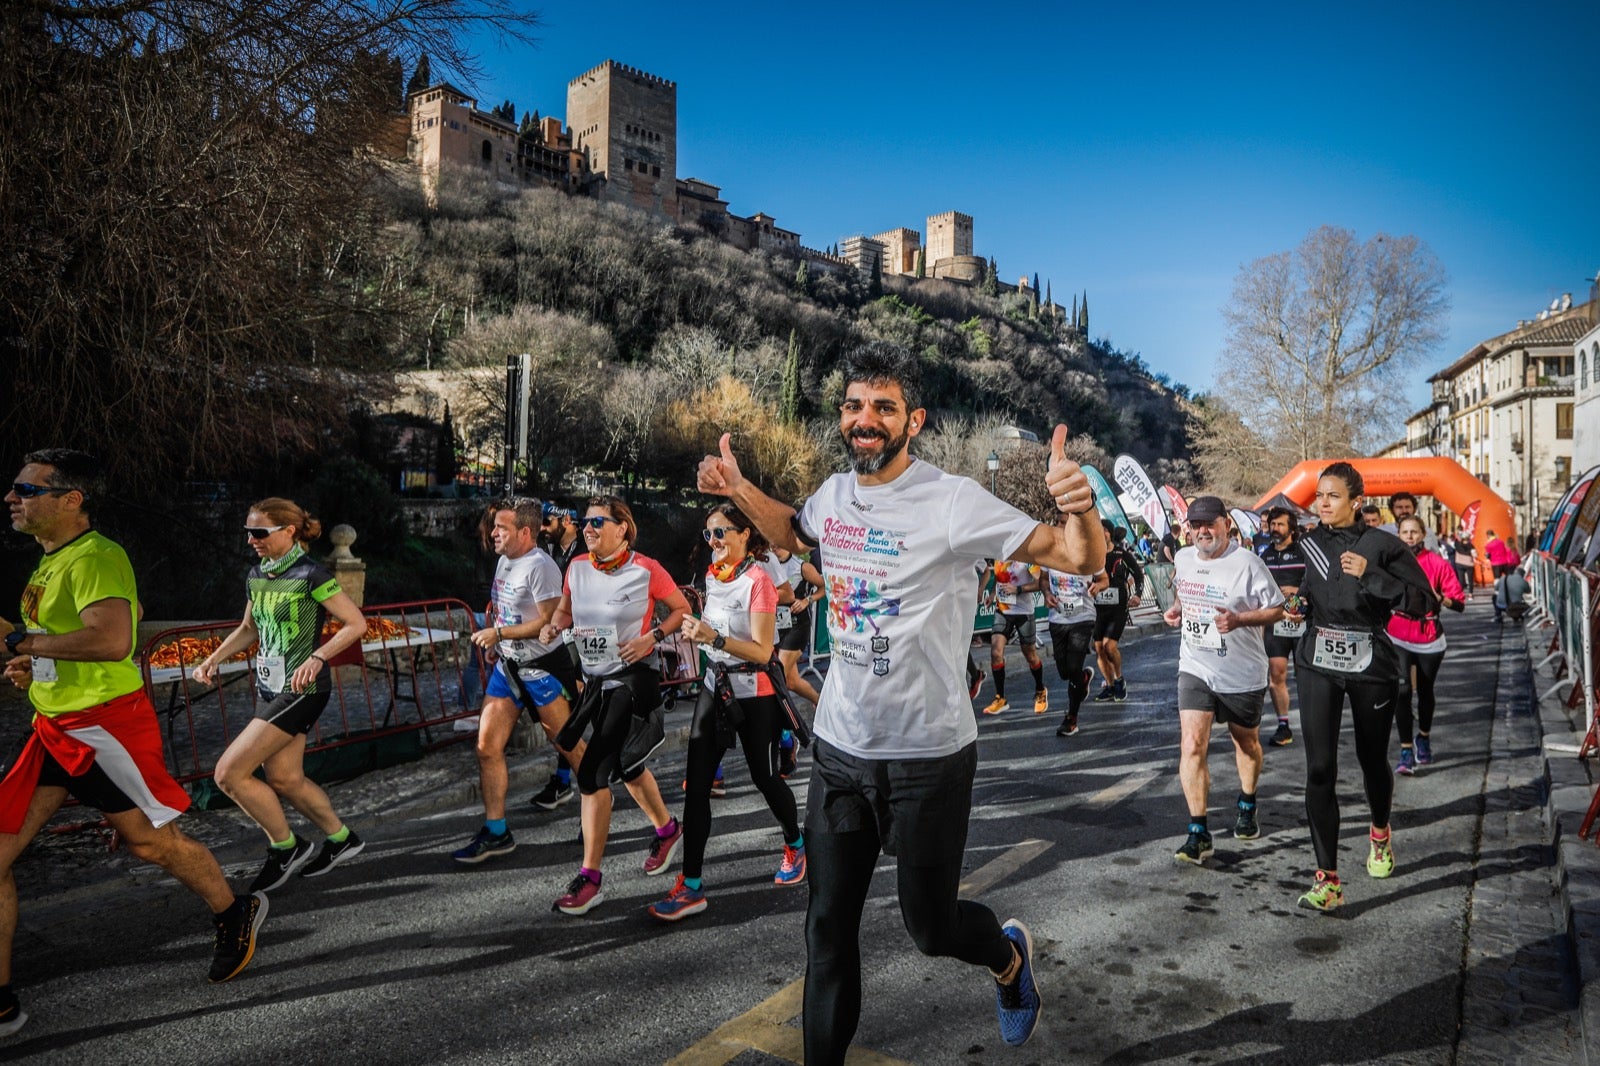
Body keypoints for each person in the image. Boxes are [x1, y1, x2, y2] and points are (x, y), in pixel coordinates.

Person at [696, 340, 1105, 1057]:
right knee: (826, 931)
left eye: (883, 408)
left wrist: (1083, 508)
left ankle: (1008, 961)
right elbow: (794, 529)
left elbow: (1078, 559)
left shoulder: (952, 500)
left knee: (931, 928)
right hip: (842, 749)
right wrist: (738, 488)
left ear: (912, 421)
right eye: (854, 406)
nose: (865, 420)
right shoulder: (834, 492)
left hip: (929, 756)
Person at [0, 451, 267, 1037]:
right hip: (53, 728)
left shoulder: (98, 555)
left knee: (153, 845)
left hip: (104, 729)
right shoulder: (53, 562)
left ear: (71, 500)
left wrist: (21, 639)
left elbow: (115, 639)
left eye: (27, 488)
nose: (11, 497)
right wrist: (31, 663)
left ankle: (234, 911)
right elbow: (69, 638)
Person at [195, 499, 370, 891]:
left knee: (228, 773)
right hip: (270, 686)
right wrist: (213, 660)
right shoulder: (256, 574)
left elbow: (355, 623)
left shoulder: (311, 574)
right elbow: (248, 628)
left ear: (289, 531)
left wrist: (319, 657)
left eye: (259, 533)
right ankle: (343, 839)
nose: (251, 540)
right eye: (249, 533)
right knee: (286, 778)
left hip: (301, 688)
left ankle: (285, 847)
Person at [648, 504, 806, 921]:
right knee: (697, 786)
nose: (713, 542)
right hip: (714, 687)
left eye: (721, 534)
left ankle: (795, 841)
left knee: (765, 778)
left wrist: (713, 636)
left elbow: (761, 649)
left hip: (756, 691)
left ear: (744, 536)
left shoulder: (760, 582)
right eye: (708, 535)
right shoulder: (713, 578)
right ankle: (691, 885)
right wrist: (700, 636)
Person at [1289, 462, 1433, 911]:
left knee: (1372, 760)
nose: (1323, 503)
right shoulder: (1309, 542)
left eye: (1331, 496)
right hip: (1318, 661)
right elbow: (1312, 593)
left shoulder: (1383, 546)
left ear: (1356, 500)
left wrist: (1372, 575)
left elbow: (1426, 602)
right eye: (1318, 496)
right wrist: (1296, 605)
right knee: (1319, 768)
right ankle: (1328, 879)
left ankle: (1379, 831)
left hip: (1371, 663)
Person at [537, 496, 690, 915]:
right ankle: (668, 828)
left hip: (633, 677)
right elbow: (566, 612)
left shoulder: (647, 569)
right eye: (585, 522)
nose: (587, 528)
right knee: (628, 765)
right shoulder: (578, 568)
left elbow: (682, 609)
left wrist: (651, 638)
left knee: (593, 770)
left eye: (597, 522)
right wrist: (554, 624)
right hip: (596, 681)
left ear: (622, 528)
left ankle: (590, 879)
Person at [451, 498, 585, 863]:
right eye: (495, 526)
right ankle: (497, 832)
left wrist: (500, 633)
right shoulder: (504, 560)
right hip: (508, 667)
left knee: (569, 747)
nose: (493, 533)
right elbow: (504, 606)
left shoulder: (540, 566)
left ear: (525, 532)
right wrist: (501, 642)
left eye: (502, 528)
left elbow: (550, 619)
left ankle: (595, 810)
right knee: (486, 747)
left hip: (543, 668)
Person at [1162, 498, 1284, 863]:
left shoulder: (1248, 563)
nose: (1203, 531)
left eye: (1209, 524)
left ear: (1226, 524)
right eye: (1195, 525)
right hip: (1196, 666)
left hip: (1241, 671)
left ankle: (1247, 802)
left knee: (1246, 743)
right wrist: (1178, 609)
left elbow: (1278, 609)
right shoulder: (1184, 559)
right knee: (1191, 745)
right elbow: (1185, 593)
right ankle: (1198, 832)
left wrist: (1240, 620)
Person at [1388, 515, 1465, 775]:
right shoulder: (1391, 563)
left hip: (1429, 635)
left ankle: (1424, 735)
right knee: (1402, 690)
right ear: (1398, 535)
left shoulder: (1437, 563)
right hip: (1397, 632)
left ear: (1423, 535)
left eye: (1414, 532)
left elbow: (1458, 601)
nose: (1409, 536)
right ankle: (1406, 749)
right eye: (1405, 532)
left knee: (1425, 691)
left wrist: (1441, 599)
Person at [530, 501, 583, 810]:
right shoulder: (550, 553)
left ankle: (599, 780)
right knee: (567, 714)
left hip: (583, 642)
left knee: (584, 712)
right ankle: (564, 779)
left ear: (568, 520)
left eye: (548, 522)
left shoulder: (582, 554)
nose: (543, 529)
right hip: (560, 641)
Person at [773, 545, 825, 776]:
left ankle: (789, 735)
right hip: (774, 627)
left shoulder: (801, 566)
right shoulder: (765, 563)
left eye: (777, 542)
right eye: (769, 541)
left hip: (797, 627)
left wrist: (807, 600)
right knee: (792, 681)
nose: (773, 546)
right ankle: (821, 701)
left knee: (779, 677)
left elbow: (825, 585)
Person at [1256, 506, 1306, 747]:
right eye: (1272, 524)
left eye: (1280, 525)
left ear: (1292, 529)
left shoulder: (1303, 553)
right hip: (1277, 623)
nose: (1274, 529)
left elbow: (1317, 583)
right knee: (1277, 674)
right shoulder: (1264, 556)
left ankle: (1313, 722)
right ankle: (1283, 725)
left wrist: (1297, 593)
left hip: (1303, 621)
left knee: (1308, 676)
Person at [980, 560, 1048, 715]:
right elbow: (998, 578)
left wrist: (1017, 589)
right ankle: (1000, 698)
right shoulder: (1000, 554)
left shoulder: (1025, 558)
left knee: (1030, 655)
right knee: (996, 652)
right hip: (1002, 611)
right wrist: (992, 594)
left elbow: (1040, 583)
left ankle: (1040, 689)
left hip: (1023, 612)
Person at [1041, 563, 1098, 736]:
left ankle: (1071, 719)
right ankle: (1083, 677)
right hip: (1057, 619)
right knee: (1064, 673)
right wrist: (1047, 593)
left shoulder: (1087, 552)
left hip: (1083, 617)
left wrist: (1098, 586)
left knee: (1073, 668)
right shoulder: (1049, 553)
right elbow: (1043, 579)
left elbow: (1104, 580)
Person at [1091, 521, 1141, 702]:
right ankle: (1110, 685)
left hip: (1118, 608)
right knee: (1098, 648)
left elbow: (1138, 573)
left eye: (1105, 530)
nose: (1102, 533)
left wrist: (1138, 595)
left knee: (1109, 647)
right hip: (1097, 609)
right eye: (1099, 530)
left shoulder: (1122, 554)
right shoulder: (1092, 556)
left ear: (1110, 534)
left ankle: (1119, 681)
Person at [1449, 529, 1477, 597]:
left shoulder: (1457, 545)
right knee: (1470, 580)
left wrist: (1456, 534)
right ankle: (1470, 594)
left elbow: (1453, 541)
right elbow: (1474, 555)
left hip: (1459, 563)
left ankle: (1460, 594)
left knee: (1461, 580)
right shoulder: (1471, 546)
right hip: (1469, 564)